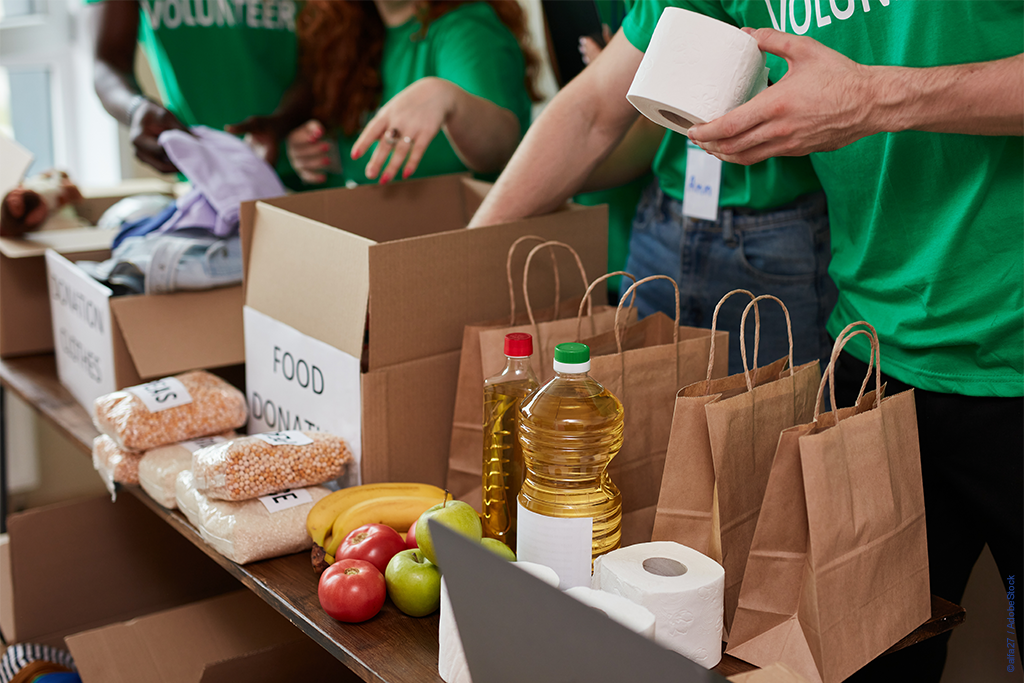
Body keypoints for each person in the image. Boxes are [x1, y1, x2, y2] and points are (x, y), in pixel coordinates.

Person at [679, 5, 1024, 681]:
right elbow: (597, 107)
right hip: (870, 367)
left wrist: (874, 98)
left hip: (1012, 360)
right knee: (863, 664)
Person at [469, 1, 836, 376]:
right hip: (663, 222)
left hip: (775, 233)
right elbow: (595, 109)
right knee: (640, 411)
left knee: (770, 418)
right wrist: (470, 247)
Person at [231, 0, 538, 188]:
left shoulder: (466, 29)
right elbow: (372, 162)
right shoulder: (356, 41)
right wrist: (323, 154)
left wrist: (447, 97)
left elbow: (501, 147)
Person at [88, 0, 299, 178]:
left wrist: (286, 121)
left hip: (309, 165)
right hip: (205, 181)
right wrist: (136, 109)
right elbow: (108, 62)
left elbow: (324, 61)